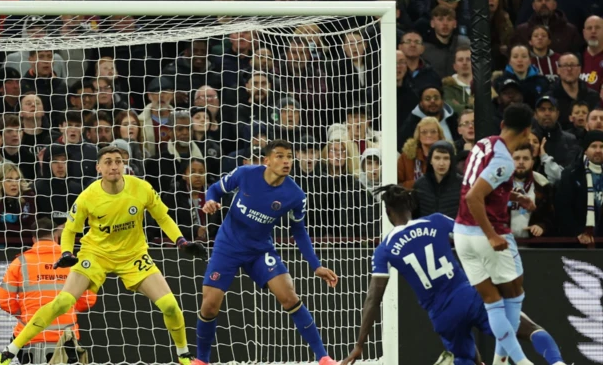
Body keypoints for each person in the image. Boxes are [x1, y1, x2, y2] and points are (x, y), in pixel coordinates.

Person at [0, 146, 207, 365]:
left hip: (133, 255)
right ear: (98, 167)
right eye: (107, 162)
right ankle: (10, 351)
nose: (113, 166)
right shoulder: (88, 196)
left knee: (170, 306)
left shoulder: (141, 188)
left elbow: (163, 218)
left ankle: (183, 355)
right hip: (96, 254)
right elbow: (69, 229)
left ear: (124, 165)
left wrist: (181, 241)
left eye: (117, 161)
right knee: (62, 302)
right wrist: (67, 251)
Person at [341, 184, 567, 365]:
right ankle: (557, 363)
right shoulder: (436, 221)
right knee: (532, 329)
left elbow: (373, 298)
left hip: (442, 316)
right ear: (411, 206)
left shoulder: (385, 249)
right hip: (468, 295)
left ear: (388, 213)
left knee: (465, 359)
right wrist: (512, 198)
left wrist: (360, 344)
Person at [191, 139, 339, 365]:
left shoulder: (295, 195)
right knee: (210, 304)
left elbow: (299, 231)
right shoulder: (245, 173)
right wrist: (210, 201)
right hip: (228, 245)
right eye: (279, 156)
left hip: (260, 250)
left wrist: (316, 265)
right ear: (267, 160)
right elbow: (214, 189)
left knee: (289, 296)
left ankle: (323, 357)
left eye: (289, 156)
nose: (286, 161)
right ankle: (201, 360)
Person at [454, 103, 541, 364]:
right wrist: (491, 235)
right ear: (527, 132)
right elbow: (474, 196)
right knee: (515, 295)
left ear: (502, 125)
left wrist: (514, 197)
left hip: (461, 235)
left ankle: (500, 362)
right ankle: (520, 362)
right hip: (484, 235)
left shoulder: (484, 143)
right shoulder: (504, 159)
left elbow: (479, 184)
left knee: (492, 300)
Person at [0, 218, 97, 364]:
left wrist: (24, 313)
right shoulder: (74, 262)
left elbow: (4, 301)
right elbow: (89, 299)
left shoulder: (20, 263)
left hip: (31, 336)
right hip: (66, 337)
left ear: (33, 238)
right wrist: (67, 308)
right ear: (56, 237)